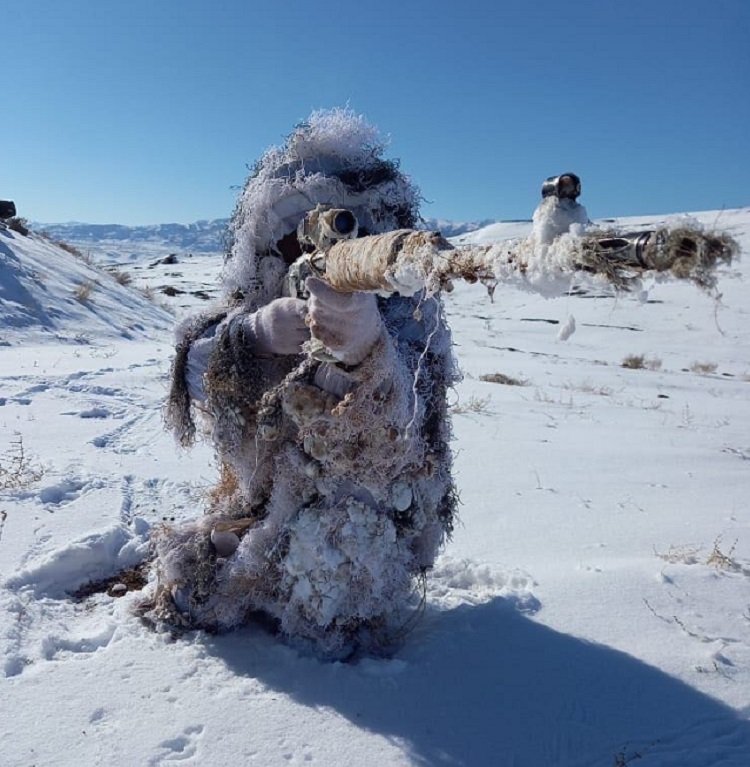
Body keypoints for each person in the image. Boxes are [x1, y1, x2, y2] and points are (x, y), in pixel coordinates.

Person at [148, 108, 459, 658]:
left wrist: (366, 353)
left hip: (367, 519)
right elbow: (191, 366)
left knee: (335, 557)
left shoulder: (411, 321)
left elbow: (405, 440)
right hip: (270, 498)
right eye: (299, 237)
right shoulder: (255, 299)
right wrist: (254, 337)